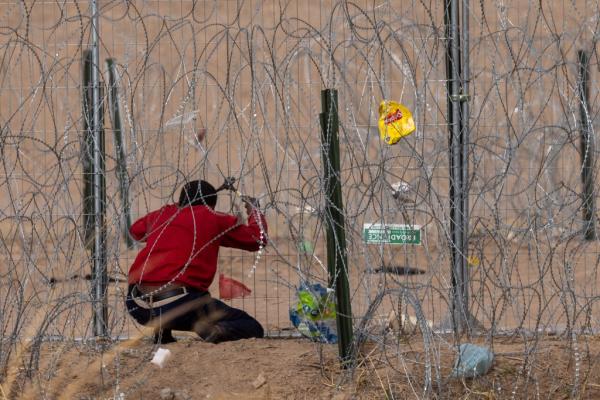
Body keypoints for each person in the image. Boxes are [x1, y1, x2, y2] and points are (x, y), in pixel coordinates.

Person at [125, 180, 267, 344]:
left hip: (138, 306)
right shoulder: (213, 219)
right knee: (251, 326)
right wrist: (254, 211)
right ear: (211, 206)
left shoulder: (162, 215)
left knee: (167, 274)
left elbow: (136, 232)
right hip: (179, 307)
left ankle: (162, 333)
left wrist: (173, 212)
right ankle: (215, 330)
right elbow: (257, 239)